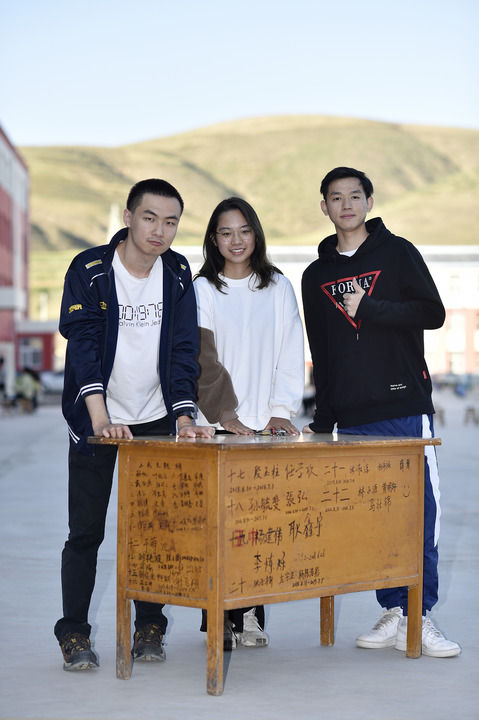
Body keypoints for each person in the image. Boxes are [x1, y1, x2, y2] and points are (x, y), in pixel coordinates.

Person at [55, 178, 214, 672]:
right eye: (149, 218)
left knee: (157, 531)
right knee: (86, 531)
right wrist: (100, 419)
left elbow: (184, 348)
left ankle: (150, 626)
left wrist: (184, 416)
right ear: (128, 217)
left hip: (155, 419)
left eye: (170, 222)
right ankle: (74, 632)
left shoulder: (178, 272)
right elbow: (82, 345)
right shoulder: (90, 269)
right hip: (97, 418)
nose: (159, 230)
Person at [301, 166, 461, 658]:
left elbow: (432, 313)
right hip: (351, 417)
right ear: (324, 207)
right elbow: (322, 350)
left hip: (403, 406)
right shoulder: (316, 275)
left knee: (418, 513)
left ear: (369, 202)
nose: (346, 205)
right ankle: (393, 610)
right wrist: (324, 419)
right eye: (336, 198)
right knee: (372, 517)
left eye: (355, 196)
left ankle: (419, 615)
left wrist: (370, 307)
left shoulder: (398, 252)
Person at [194, 196, 304, 650]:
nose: (236, 240)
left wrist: (281, 410)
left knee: (259, 526)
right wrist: (225, 413)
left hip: (264, 428)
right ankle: (219, 617)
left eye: (244, 230)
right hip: (217, 426)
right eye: (226, 232)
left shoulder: (277, 286)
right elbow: (202, 357)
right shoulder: (203, 289)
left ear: (255, 234)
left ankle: (252, 615)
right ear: (213, 239)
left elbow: (291, 349)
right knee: (216, 526)